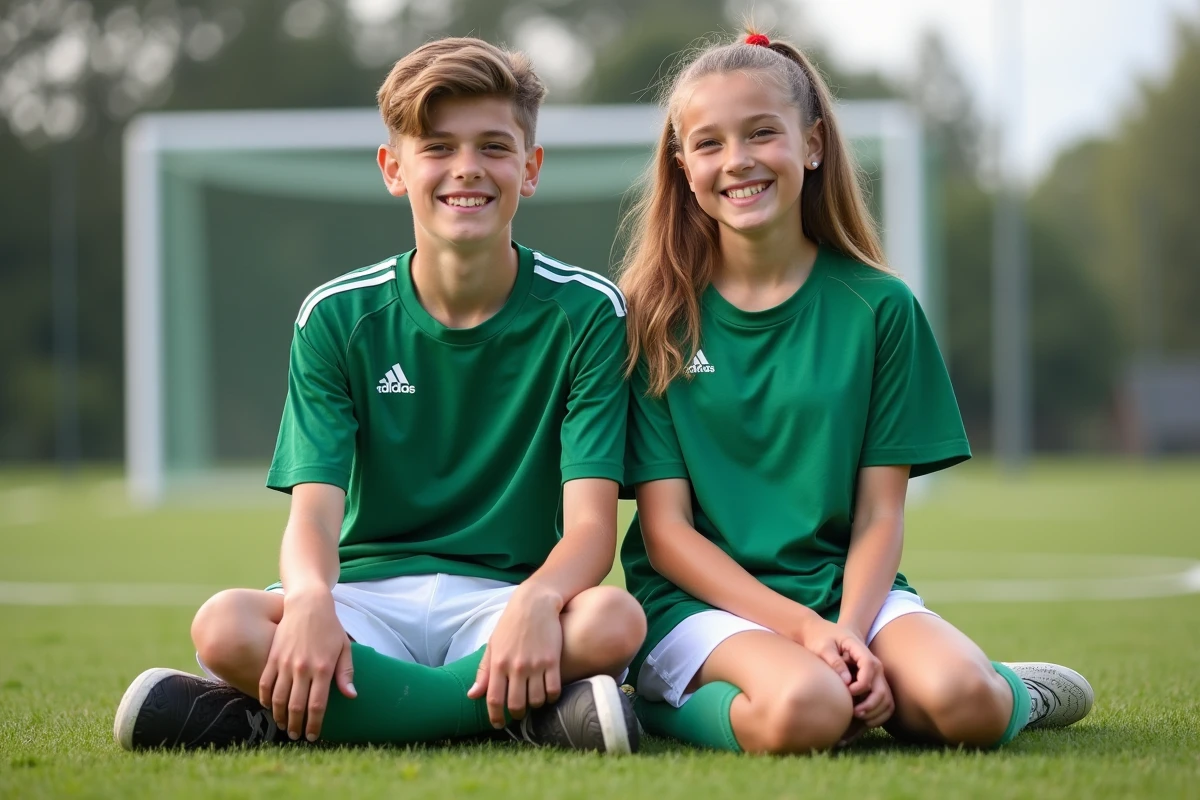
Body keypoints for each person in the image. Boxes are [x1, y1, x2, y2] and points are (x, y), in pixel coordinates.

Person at [113, 36, 644, 753]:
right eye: (437, 147)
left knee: (614, 621)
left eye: (493, 146)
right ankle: (525, 714)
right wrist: (306, 600)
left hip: (506, 598)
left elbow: (589, 531)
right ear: (394, 168)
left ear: (531, 167)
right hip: (364, 599)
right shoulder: (337, 315)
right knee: (223, 626)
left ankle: (283, 720)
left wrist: (541, 600)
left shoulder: (589, 313)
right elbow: (314, 519)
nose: (467, 169)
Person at [616, 30, 1093, 754]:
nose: (737, 160)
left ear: (811, 145)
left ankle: (1011, 688)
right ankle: (652, 702)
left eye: (761, 133)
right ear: (683, 169)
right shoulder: (652, 315)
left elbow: (878, 516)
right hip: (700, 604)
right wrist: (806, 634)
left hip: (847, 597)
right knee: (808, 710)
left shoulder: (880, 308)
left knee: (966, 704)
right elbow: (667, 534)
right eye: (709, 144)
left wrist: (843, 627)